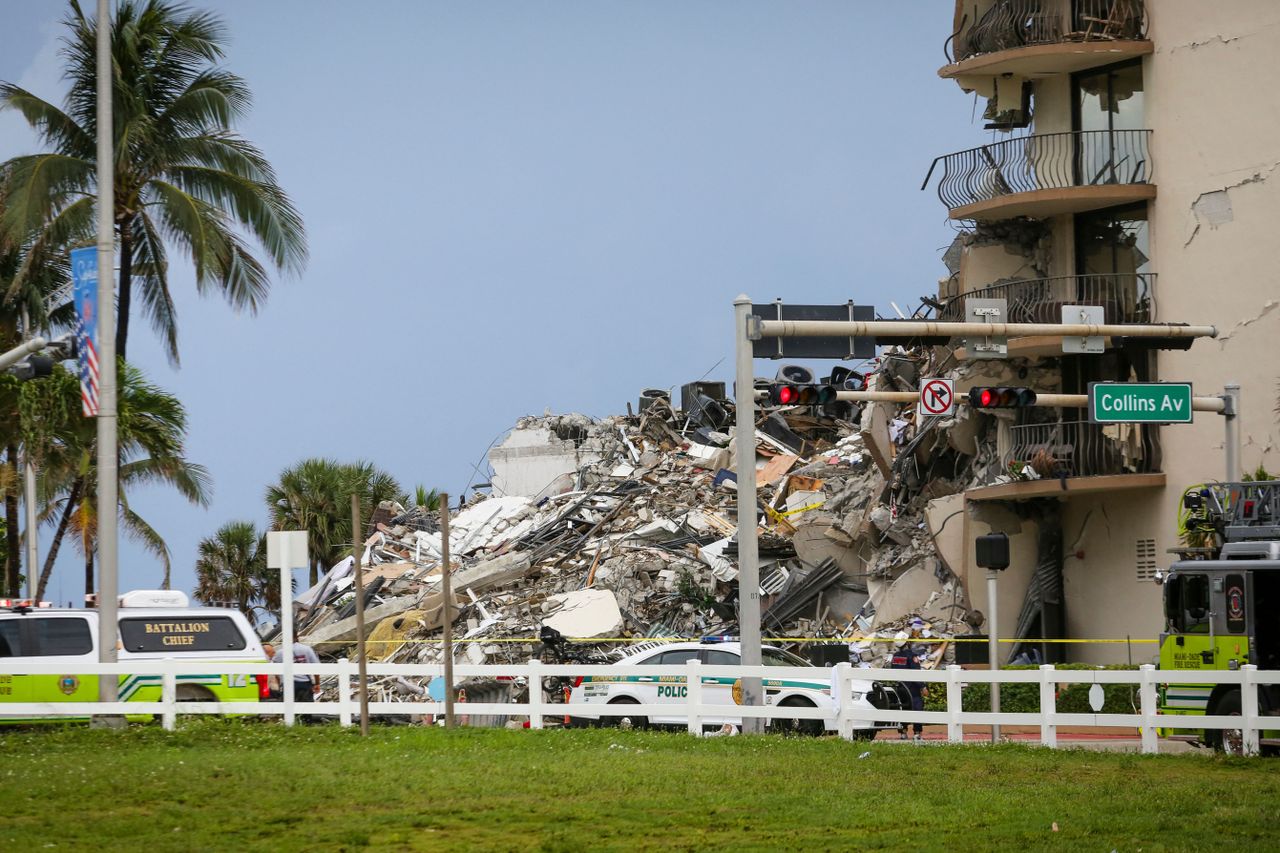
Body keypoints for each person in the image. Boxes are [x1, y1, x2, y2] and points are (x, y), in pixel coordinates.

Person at [889, 618, 929, 741]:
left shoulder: (895, 657)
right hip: (912, 688)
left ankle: (903, 732)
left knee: (903, 708)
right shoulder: (912, 656)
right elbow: (915, 674)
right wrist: (922, 686)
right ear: (907, 643)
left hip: (900, 688)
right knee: (917, 708)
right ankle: (917, 733)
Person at [272, 641, 321, 713]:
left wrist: (279, 684)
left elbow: (276, 671)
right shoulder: (306, 649)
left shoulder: (280, 652)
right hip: (304, 683)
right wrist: (317, 683)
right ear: (297, 636)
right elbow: (316, 667)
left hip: (287, 683)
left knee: (287, 711)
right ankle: (306, 723)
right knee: (306, 710)